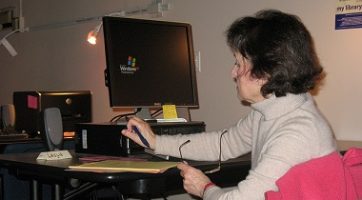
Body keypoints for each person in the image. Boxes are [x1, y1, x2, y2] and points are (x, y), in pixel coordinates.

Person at [121, 9, 337, 200]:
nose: (233, 73)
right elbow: (222, 144)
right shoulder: (272, 111)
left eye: (239, 63)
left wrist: (204, 187)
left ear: (266, 72)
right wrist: (155, 141)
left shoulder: (295, 133)